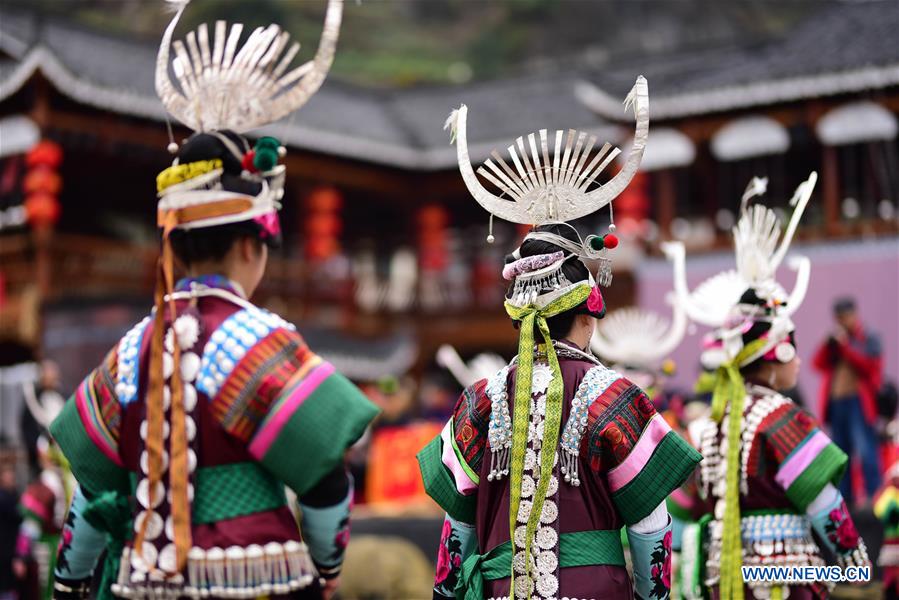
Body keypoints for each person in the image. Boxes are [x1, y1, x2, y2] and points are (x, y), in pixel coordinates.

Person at [48, 1, 380, 599]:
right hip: (260, 580)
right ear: (255, 246)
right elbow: (325, 480)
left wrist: (69, 583)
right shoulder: (258, 340)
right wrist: (327, 568)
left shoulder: (128, 351)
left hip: (144, 582)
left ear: (171, 246)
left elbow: (93, 494)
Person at [420, 79, 702, 600]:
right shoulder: (614, 397)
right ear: (589, 313)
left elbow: (457, 527)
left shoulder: (480, 399)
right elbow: (649, 526)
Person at [675, 179, 870, 600]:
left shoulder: (715, 422)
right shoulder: (782, 417)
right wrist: (856, 565)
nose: (799, 361)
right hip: (786, 572)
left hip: (724, 574)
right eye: (793, 349)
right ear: (776, 353)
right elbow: (823, 503)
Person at [812, 297, 883, 506]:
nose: (843, 322)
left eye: (846, 316)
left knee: (866, 450)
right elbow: (817, 363)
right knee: (841, 453)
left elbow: (870, 366)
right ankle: (845, 499)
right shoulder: (835, 341)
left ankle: (876, 497)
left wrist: (846, 347)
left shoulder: (868, 338)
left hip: (859, 402)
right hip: (837, 403)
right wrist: (829, 344)